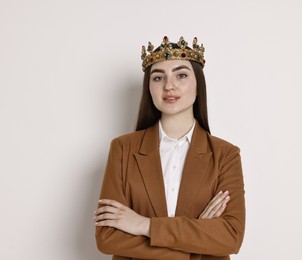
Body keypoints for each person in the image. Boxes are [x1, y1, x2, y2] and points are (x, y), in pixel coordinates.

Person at [93, 36, 245, 260]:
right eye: (158, 78)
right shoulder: (122, 149)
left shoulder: (226, 155)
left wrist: (144, 225)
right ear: (149, 89)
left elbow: (230, 237)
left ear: (198, 86)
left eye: (181, 75)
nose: (169, 86)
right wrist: (195, 238)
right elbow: (107, 237)